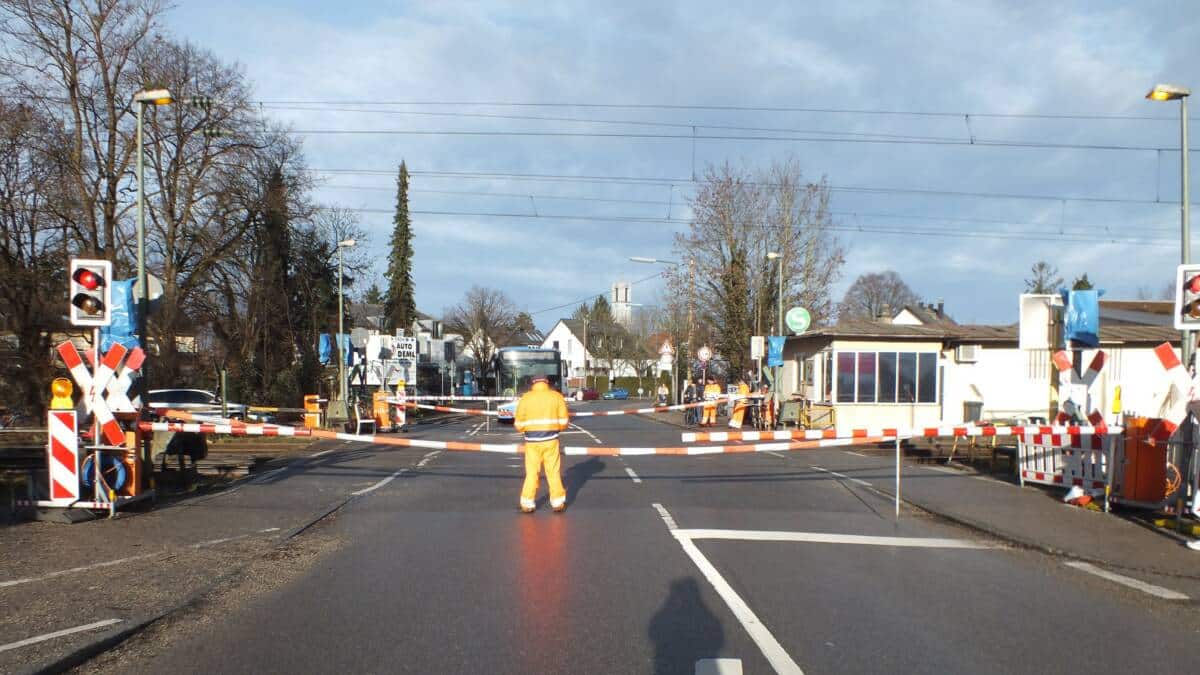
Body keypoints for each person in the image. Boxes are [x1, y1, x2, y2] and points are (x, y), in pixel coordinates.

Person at [514, 375, 570, 513]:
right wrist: (555, 428)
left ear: (533, 383)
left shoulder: (526, 398)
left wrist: (527, 429)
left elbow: (518, 424)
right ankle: (557, 502)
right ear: (547, 383)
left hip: (532, 442)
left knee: (532, 472)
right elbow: (564, 422)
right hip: (551, 440)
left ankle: (527, 503)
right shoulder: (556, 397)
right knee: (553, 472)